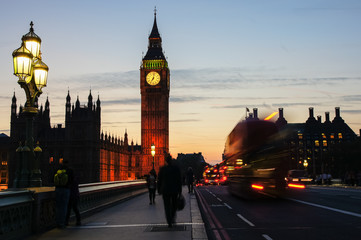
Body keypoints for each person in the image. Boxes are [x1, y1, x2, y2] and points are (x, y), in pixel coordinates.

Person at [157, 153, 182, 228]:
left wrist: (159, 189)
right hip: (174, 190)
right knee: (174, 205)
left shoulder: (163, 169)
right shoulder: (176, 168)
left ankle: (169, 221)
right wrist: (180, 190)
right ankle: (172, 217)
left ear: (166, 161)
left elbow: (159, 180)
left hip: (165, 190)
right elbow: (179, 180)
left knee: (167, 206)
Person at [54, 159, 73, 228]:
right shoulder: (70, 170)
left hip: (57, 189)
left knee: (58, 206)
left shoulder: (58, 170)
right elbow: (72, 181)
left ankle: (57, 222)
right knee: (64, 207)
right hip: (66, 189)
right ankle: (62, 222)